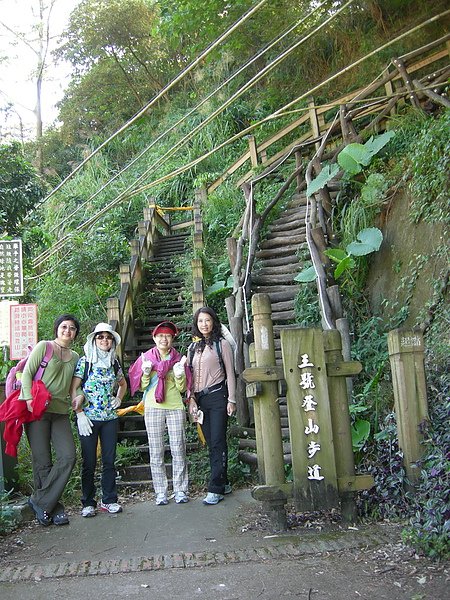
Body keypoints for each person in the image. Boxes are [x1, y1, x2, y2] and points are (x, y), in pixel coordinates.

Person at [19, 314, 81, 527]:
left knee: (68, 456)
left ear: (75, 334)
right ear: (57, 329)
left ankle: (39, 501)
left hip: (60, 411)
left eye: (72, 328)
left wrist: (79, 396)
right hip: (37, 409)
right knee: (43, 462)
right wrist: (27, 398)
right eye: (64, 327)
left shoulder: (75, 356)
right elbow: (27, 374)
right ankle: (54, 511)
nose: (67, 331)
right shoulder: (43, 347)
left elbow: (76, 385)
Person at [128, 321, 191, 506]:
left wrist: (180, 374)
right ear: (154, 337)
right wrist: (146, 372)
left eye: (168, 336)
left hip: (175, 407)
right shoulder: (146, 358)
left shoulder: (179, 359)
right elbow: (141, 386)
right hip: (153, 406)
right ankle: (161, 491)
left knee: (178, 448)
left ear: (172, 339)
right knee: (156, 450)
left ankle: (180, 489)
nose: (164, 339)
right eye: (160, 335)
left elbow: (182, 389)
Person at [70, 323, 127, 517]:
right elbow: (74, 387)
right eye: (100, 337)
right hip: (89, 418)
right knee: (89, 461)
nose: (104, 340)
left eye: (108, 337)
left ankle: (109, 499)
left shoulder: (114, 362)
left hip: (110, 418)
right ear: (94, 340)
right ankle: (88, 502)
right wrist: (79, 413)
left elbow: (122, 383)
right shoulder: (86, 362)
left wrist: (118, 398)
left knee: (109, 460)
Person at [187, 307, 236, 505]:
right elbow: (189, 377)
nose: (204, 324)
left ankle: (215, 488)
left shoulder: (221, 344)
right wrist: (190, 398)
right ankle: (224, 482)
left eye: (207, 320)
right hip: (200, 400)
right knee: (211, 442)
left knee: (217, 441)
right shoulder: (193, 348)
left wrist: (232, 399)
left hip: (218, 396)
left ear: (214, 322)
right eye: (200, 321)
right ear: (196, 324)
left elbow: (231, 373)